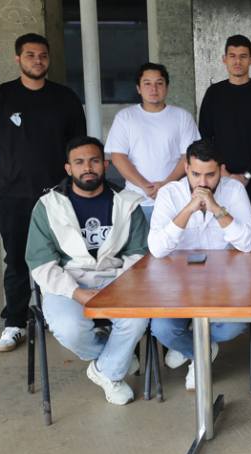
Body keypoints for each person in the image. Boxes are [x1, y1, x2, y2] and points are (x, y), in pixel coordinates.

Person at [0, 33, 86, 352]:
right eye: (30, 55)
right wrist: (11, 168)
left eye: (42, 55)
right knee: (17, 260)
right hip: (13, 197)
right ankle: (15, 323)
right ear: (18, 58)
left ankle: (57, 316)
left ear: (49, 59)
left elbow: (78, 148)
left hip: (58, 197)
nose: (37, 60)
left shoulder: (65, 98)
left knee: (62, 258)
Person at [25, 136, 150, 405]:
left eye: (94, 161)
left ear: (105, 164)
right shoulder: (48, 206)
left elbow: (138, 254)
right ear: (68, 168)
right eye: (79, 162)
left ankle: (106, 370)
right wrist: (76, 292)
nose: (88, 168)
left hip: (117, 280)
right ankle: (116, 356)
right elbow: (41, 262)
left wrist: (118, 287)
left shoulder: (127, 203)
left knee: (138, 319)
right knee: (70, 328)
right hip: (67, 282)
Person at [147, 140, 251, 390]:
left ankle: (194, 348)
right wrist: (188, 210)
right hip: (178, 283)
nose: (203, 183)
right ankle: (201, 353)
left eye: (210, 175)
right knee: (162, 329)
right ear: (186, 168)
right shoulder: (169, 193)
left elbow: (247, 243)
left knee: (234, 326)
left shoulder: (234, 190)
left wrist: (216, 208)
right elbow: (157, 249)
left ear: (221, 170)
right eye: (196, 174)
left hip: (224, 281)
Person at [105, 62, 200, 220]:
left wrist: (166, 184)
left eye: (159, 83)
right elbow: (118, 157)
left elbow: (188, 156)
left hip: (175, 198)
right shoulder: (125, 117)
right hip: (136, 199)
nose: (153, 89)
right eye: (147, 83)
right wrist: (144, 185)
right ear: (138, 88)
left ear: (167, 87)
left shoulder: (182, 117)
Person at [198, 34, 251, 202]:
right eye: (232, 56)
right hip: (220, 176)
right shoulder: (214, 93)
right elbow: (205, 136)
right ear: (224, 59)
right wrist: (221, 170)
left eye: (243, 56)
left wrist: (248, 175)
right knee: (221, 216)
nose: (237, 61)